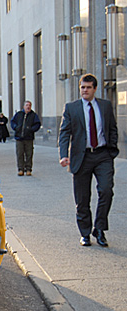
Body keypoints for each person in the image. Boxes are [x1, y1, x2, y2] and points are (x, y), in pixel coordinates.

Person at [59, 73, 119, 247]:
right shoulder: (72, 108)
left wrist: (111, 150)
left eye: (88, 87)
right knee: (82, 198)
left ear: (95, 88)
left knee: (106, 190)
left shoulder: (106, 106)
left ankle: (99, 229)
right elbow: (64, 133)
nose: (84, 90)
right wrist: (64, 154)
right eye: (82, 87)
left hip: (102, 156)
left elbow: (112, 128)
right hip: (81, 157)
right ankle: (85, 233)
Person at [10, 101, 41, 176]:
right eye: (26, 105)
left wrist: (31, 129)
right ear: (23, 106)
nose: (28, 107)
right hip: (19, 138)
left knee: (29, 154)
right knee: (20, 154)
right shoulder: (19, 114)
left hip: (29, 138)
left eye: (29, 105)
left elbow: (37, 124)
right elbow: (12, 122)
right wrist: (16, 128)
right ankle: (20, 169)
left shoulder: (33, 115)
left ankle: (28, 169)